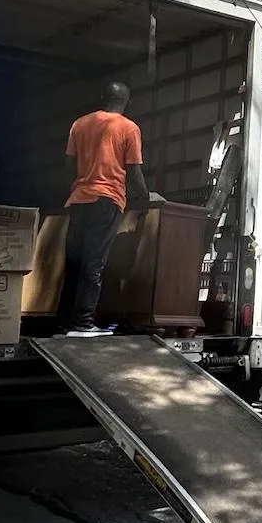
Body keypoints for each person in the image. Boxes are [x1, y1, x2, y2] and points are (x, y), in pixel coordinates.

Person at [62, 82, 161, 337]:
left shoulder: (79, 124)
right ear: (128, 102)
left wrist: (74, 189)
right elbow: (133, 170)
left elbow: (68, 166)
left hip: (79, 198)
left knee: (74, 261)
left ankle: (64, 321)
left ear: (102, 97)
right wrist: (144, 197)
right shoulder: (129, 128)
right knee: (94, 262)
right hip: (107, 199)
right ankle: (83, 323)